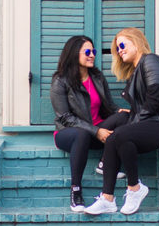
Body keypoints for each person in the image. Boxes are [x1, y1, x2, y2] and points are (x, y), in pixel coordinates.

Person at [84, 27, 159, 215]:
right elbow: (148, 106)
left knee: (122, 134)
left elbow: (155, 98)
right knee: (115, 139)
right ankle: (107, 199)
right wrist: (133, 113)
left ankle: (135, 188)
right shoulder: (136, 71)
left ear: (137, 42)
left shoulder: (151, 60)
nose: (120, 50)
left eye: (123, 45)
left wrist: (134, 120)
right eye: (117, 48)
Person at [50, 35, 130, 212]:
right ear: (73, 54)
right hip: (69, 133)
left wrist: (120, 113)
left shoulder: (97, 77)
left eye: (93, 51)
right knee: (81, 132)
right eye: (87, 51)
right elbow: (65, 117)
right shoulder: (60, 81)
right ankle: (76, 190)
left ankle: (104, 163)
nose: (92, 55)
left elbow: (109, 106)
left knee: (124, 117)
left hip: (96, 131)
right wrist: (96, 131)